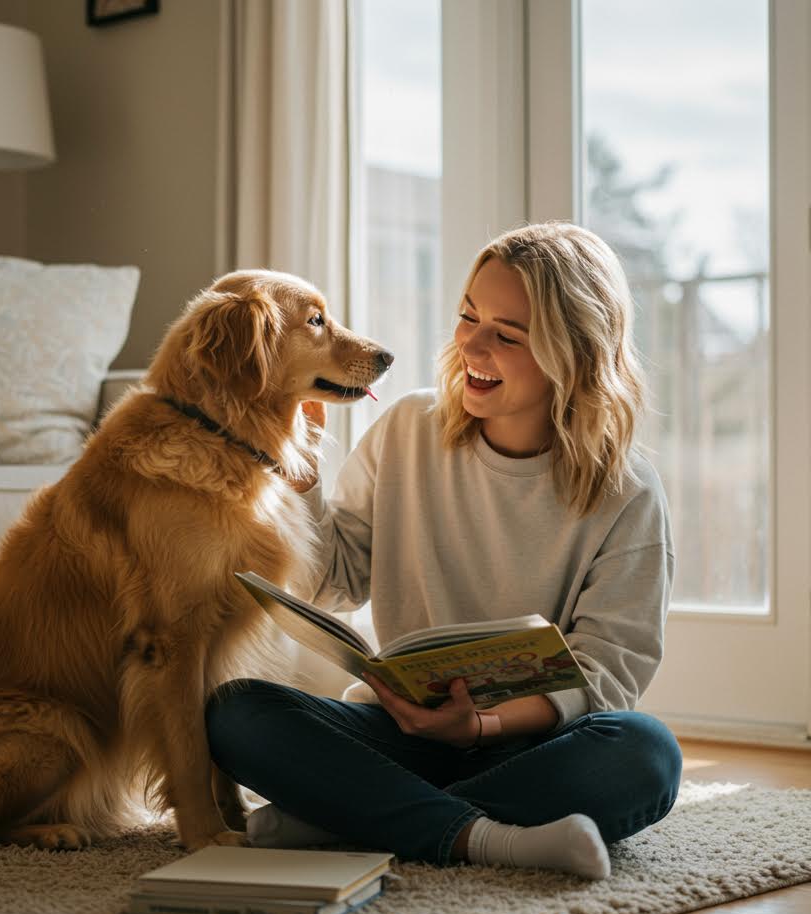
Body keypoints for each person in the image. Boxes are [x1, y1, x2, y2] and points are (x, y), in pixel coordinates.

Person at [205, 222, 681, 879]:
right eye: (468, 317)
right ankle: (492, 839)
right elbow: (334, 582)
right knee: (237, 711)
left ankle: (350, 818)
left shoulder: (627, 493)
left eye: (506, 335)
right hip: (398, 735)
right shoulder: (407, 428)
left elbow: (608, 674)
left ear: (574, 354)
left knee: (646, 753)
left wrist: (481, 728)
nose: (471, 345)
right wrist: (304, 489)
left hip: (531, 746)